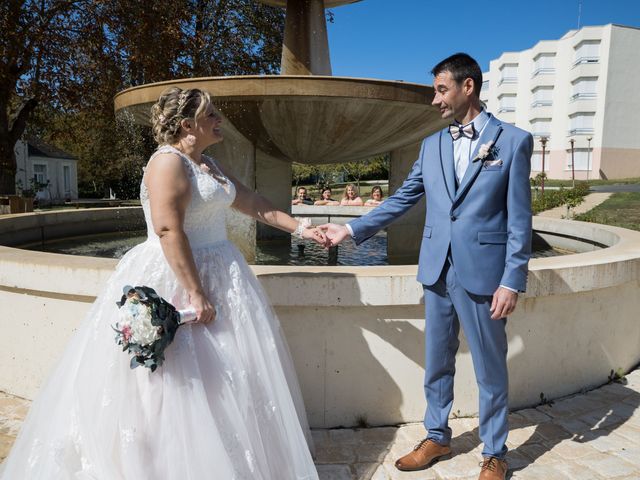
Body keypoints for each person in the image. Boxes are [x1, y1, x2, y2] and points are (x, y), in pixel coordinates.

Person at [1, 87, 323, 479]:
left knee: (232, 376)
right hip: (176, 275)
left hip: (223, 271)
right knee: (170, 382)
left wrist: (305, 228)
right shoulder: (166, 163)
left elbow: (253, 202)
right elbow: (169, 229)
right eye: (212, 115)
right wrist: (195, 292)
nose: (220, 120)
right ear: (188, 125)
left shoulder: (209, 165)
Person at [320, 53, 532, 480]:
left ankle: (495, 453)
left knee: (491, 367)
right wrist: (350, 228)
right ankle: (437, 435)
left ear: (467, 87)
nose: (435, 100)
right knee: (437, 361)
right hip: (436, 270)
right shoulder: (431, 144)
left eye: (441, 90)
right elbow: (402, 199)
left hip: (485, 274)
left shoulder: (512, 141)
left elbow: (519, 218)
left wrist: (512, 279)